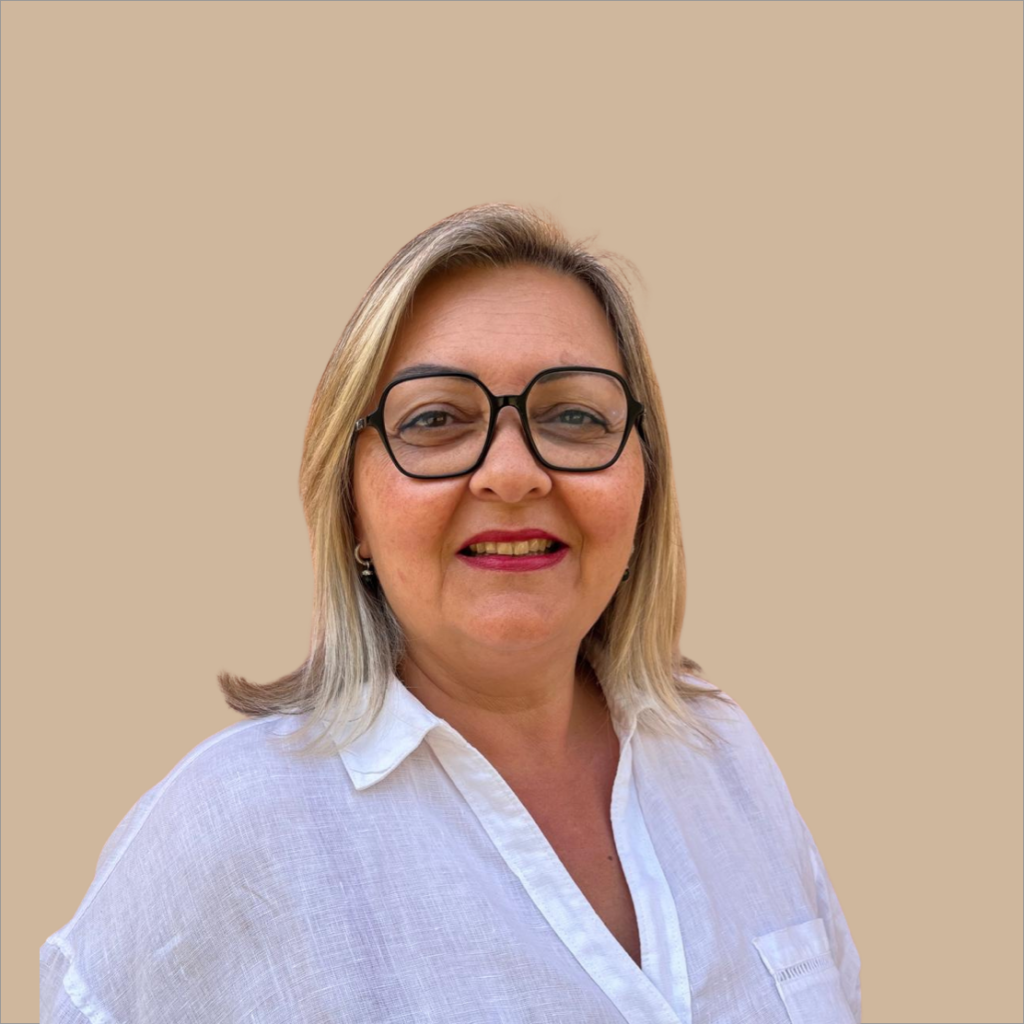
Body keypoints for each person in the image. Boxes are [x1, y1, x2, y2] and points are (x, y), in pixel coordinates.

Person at [40, 204, 861, 1024]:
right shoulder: (226, 832)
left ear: (644, 483)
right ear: (352, 510)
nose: (513, 473)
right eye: (436, 420)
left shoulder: (723, 754)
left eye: (574, 417)